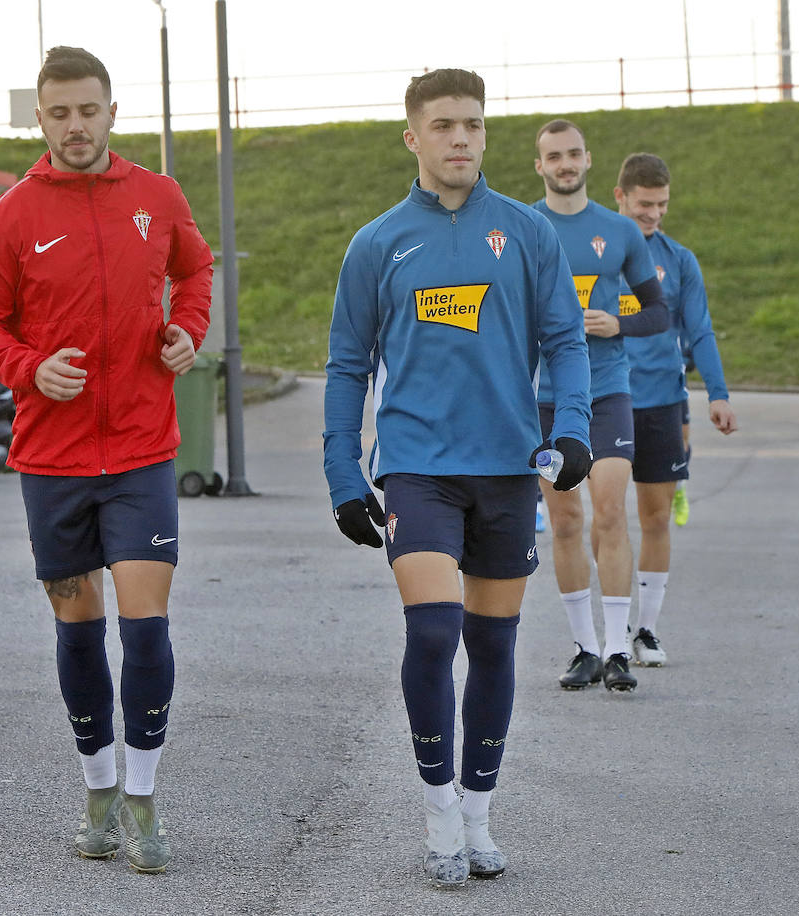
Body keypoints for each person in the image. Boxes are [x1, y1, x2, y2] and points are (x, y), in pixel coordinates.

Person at [323, 69, 591, 888]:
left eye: (472, 124)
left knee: (493, 645)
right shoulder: (377, 243)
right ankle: (438, 811)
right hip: (416, 469)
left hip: (507, 469)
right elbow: (346, 364)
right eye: (442, 126)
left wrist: (572, 430)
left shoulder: (527, 232)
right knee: (434, 633)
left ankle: (478, 813)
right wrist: (342, 468)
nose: (461, 139)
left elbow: (567, 342)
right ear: (413, 136)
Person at [0, 46, 213, 873]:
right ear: (41, 118)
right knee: (78, 630)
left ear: (112, 111)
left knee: (146, 630)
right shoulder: (11, 217)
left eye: (88, 110)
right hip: (55, 462)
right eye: (59, 112)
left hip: (142, 452)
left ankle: (143, 797)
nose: (76, 125)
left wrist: (187, 331)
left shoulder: (157, 195)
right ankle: (98, 786)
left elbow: (195, 267)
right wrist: (31, 367)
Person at [531, 119, 669, 693]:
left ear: (588, 160)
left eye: (573, 154)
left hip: (607, 390)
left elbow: (659, 311)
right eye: (553, 156)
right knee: (565, 520)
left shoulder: (619, 232)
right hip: (543, 398)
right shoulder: (524, 227)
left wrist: (619, 322)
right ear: (539, 165)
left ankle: (618, 648)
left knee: (610, 511)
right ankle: (584, 647)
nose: (565, 164)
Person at [615, 153, 738, 667]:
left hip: (663, 401)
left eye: (661, 205)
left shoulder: (679, 259)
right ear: (620, 196)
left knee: (656, 516)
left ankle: (646, 629)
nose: (654, 215)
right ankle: (611, 629)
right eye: (644, 204)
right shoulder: (596, 254)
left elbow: (700, 329)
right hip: (608, 399)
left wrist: (718, 392)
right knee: (605, 517)